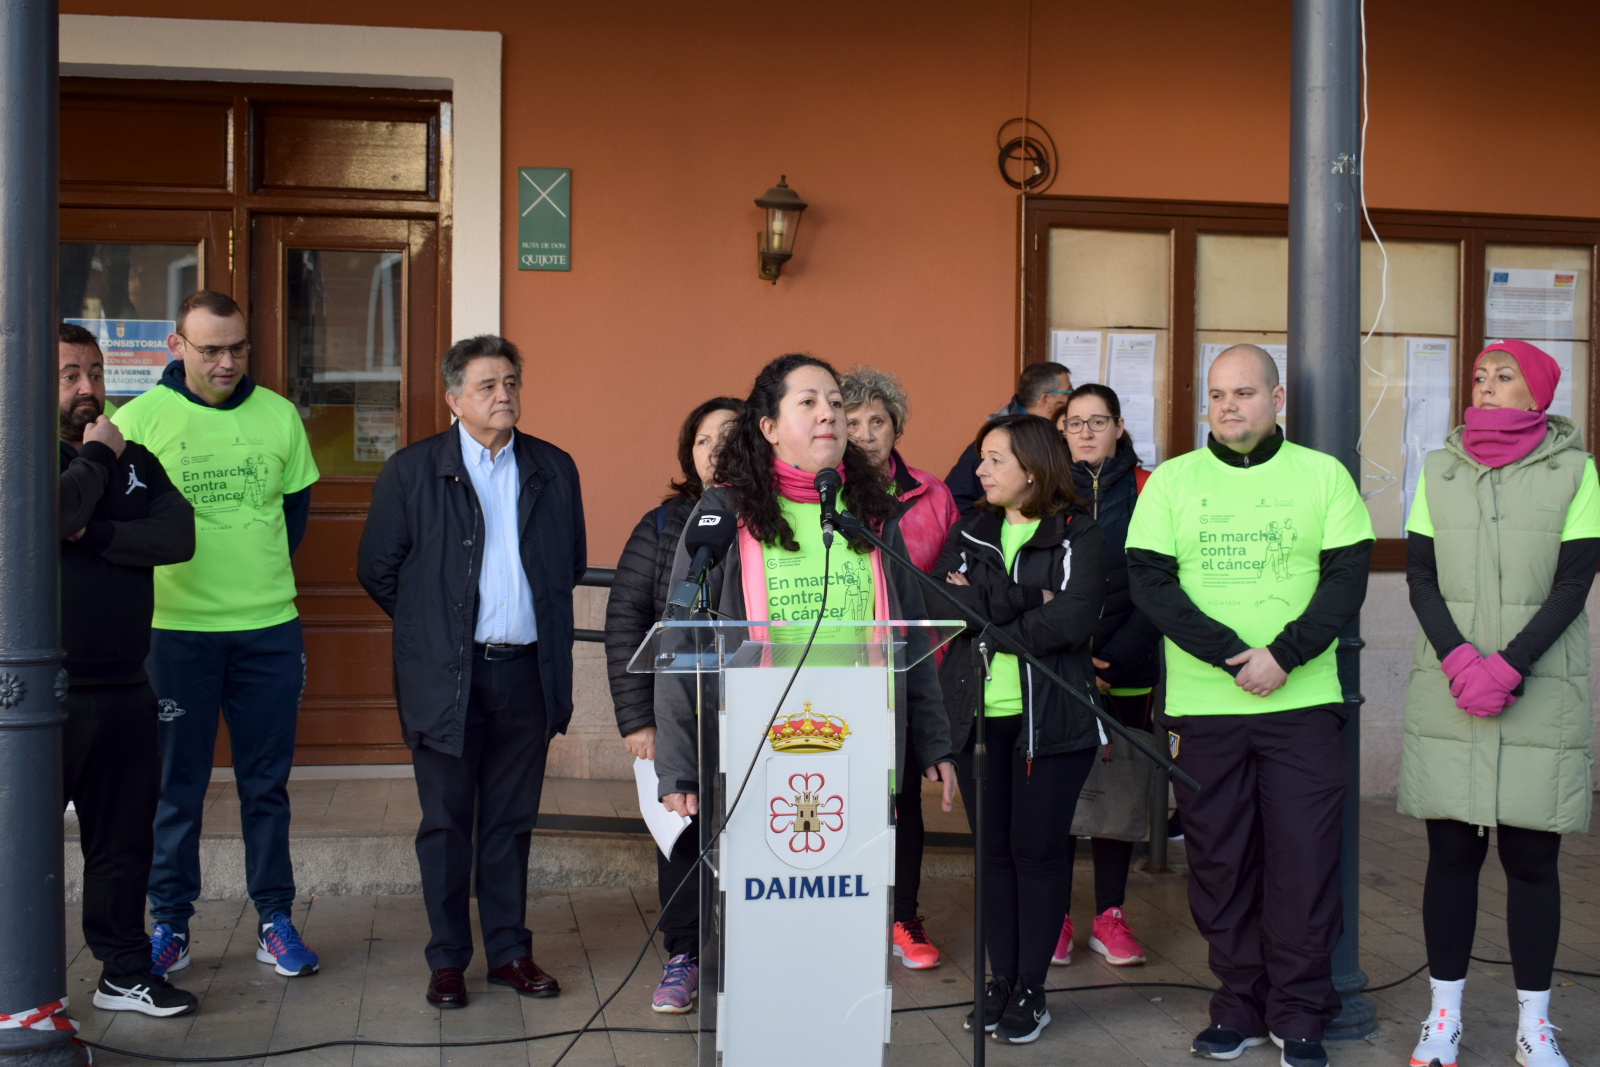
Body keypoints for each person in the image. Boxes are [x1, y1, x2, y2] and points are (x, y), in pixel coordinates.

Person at [1126, 345, 1374, 1067]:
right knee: (1220, 861)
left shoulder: (1321, 476)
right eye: (1217, 394)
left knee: (1303, 860)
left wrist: (1286, 655)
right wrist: (1235, 654)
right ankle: (1237, 1003)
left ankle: (1299, 1011)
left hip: (1302, 706)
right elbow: (1151, 584)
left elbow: (1346, 578)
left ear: (1277, 398)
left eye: (1244, 392)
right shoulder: (1172, 482)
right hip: (1207, 708)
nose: (1229, 405)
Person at [651, 353, 958, 862]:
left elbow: (906, 635)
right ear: (769, 427)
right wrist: (679, 765)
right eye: (809, 402)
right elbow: (683, 641)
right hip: (756, 750)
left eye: (836, 403)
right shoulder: (725, 512)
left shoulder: (871, 515)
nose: (830, 414)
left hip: (859, 744)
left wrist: (933, 742)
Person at [357, 335, 586, 1010]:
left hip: (525, 674)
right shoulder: (411, 470)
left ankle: (511, 951)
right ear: (454, 398)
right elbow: (378, 568)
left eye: (511, 381)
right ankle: (448, 959)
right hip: (446, 677)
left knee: (511, 823)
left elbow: (567, 565)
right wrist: (438, 627)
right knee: (448, 822)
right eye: (487, 385)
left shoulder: (553, 467)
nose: (504, 395)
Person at [1398, 340, 1599, 1067]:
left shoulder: (1576, 470)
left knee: (1532, 856)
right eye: (1480, 375)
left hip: (1539, 684)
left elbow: (1575, 584)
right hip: (1452, 682)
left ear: (1536, 391)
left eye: (1502, 375)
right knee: (1450, 852)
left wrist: (1509, 665)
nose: (1486, 385)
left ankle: (1534, 1026)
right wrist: (1460, 658)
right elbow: (1419, 574)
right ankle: (1443, 1019)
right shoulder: (1441, 467)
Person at [111, 291, 322, 979]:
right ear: (177, 346)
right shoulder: (137, 420)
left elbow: (294, 513)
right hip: (176, 634)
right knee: (177, 784)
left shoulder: (279, 415)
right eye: (210, 350)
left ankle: (275, 919)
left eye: (237, 348)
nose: (227, 361)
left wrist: (251, 578)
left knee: (267, 783)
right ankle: (170, 923)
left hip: (267, 629)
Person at [932, 412, 1106, 1045]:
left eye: (995, 459)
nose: (980, 470)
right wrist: (1033, 601)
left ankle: (1033, 990)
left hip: (1052, 724)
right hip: (979, 723)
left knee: (1037, 853)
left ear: (1032, 467)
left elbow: (1076, 619)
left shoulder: (1076, 533)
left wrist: (990, 613)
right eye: (982, 458)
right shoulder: (971, 527)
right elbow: (943, 604)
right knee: (994, 858)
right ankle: (999, 982)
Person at [57, 323, 199, 1018]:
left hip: (123, 686)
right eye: (69, 375)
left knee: (121, 844)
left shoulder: (134, 459)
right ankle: (17, 982)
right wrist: (91, 464)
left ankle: (123, 972)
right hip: (39, 698)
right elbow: (52, 514)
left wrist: (100, 532)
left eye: (94, 372)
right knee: (17, 848)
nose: (88, 389)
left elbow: (178, 535)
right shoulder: (22, 454)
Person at [604, 395, 742, 1013]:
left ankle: (750, 950)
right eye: (704, 441)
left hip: (755, 710)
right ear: (689, 454)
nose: (716, 451)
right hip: (680, 711)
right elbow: (627, 619)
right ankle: (684, 954)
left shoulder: (770, 519)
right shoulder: (665, 524)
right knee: (684, 832)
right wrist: (638, 719)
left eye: (729, 438)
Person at [840, 365, 959, 970]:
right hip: (839, 673)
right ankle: (848, 910)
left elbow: (950, 580)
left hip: (912, 670)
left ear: (897, 427)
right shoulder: (822, 495)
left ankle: (904, 917)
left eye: (877, 421)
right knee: (845, 794)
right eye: (852, 421)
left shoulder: (932, 495)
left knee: (903, 798)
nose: (864, 434)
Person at [1050, 383, 1160, 970]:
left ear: (1119, 427)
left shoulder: (1150, 490)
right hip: (1061, 666)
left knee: (1117, 790)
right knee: (1061, 790)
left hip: (1130, 664)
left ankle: (1110, 916)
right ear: (1060, 430)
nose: (1086, 431)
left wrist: (1114, 660)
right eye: (1075, 422)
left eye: (1098, 421)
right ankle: (1058, 917)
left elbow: (1164, 585)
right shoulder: (1045, 491)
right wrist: (1072, 656)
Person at [944, 362, 1073, 515]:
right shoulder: (992, 442)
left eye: (996, 461)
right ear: (1046, 401)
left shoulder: (1068, 438)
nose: (1072, 398)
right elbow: (955, 501)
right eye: (1068, 392)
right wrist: (987, 532)